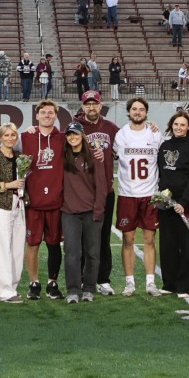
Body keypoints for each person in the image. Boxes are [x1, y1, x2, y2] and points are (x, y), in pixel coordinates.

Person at [109, 97, 163, 295]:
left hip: (150, 194)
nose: (138, 112)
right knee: (128, 240)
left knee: (149, 239)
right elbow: (112, 157)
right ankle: (129, 282)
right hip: (127, 194)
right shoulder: (121, 135)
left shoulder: (155, 134)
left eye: (141, 109)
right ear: (129, 112)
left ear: (146, 112)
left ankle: (150, 282)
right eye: (134, 109)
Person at [59, 120, 110, 301]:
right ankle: (73, 290)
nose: (73, 137)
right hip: (69, 212)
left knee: (92, 252)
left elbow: (102, 186)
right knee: (72, 253)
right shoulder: (62, 156)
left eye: (76, 134)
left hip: (91, 211)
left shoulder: (94, 156)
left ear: (83, 136)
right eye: (69, 134)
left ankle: (89, 288)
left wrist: (98, 210)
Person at [154, 110, 189, 296]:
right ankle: (169, 284)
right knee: (168, 244)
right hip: (166, 204)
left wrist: (183, 201)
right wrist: (162, 198)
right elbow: (161, 172)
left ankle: (185, 286)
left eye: (182, 125)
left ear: (188, 127)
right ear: (171, 125)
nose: (179, 128)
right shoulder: (165, 145)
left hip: (186, 204)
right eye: (176, 124)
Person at [21, 100, 66, 300]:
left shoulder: (64, 138)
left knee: (54, 244)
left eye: (51, 113)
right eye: (43, 113)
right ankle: (34, 282)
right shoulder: (25, 137)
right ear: (37, 116)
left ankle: (52, 282)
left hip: (56, 202)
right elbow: (6, 150)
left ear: (56, 116)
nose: (47, 115)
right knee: (32, 244)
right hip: (33, 203)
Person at [0, 120, 29, 301]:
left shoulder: (20, 157)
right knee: (1, 249)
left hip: (18, 205)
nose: (10, 138)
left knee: (17, 248)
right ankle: (4, 291)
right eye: (6, 135)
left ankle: (9, 287)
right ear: (0, 138)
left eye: (13, 135)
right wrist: (7, 185)